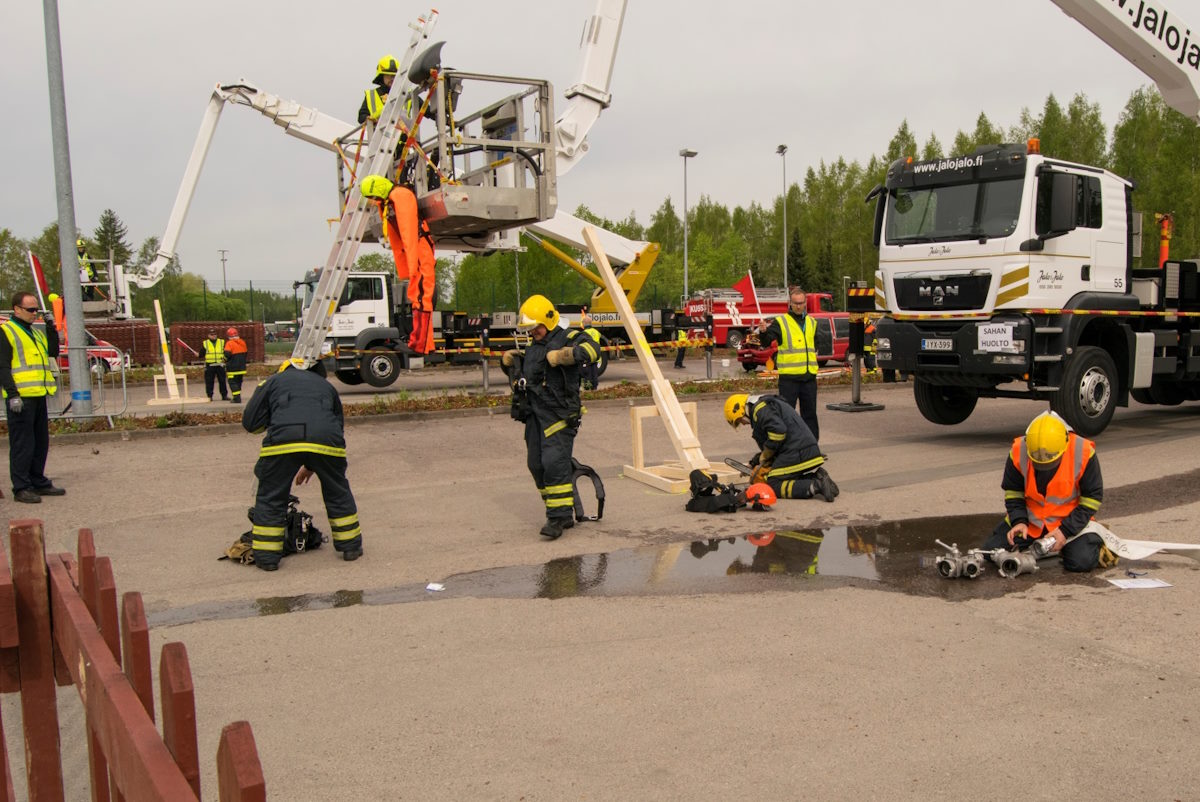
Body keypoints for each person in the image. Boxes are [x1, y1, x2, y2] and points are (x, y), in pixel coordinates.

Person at [242, 359, 363, 570]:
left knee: (271, 496)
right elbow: (336, 426)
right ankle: (350, 547)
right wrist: (313, 464)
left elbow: (250, 423)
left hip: (282, 443)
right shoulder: (327, 386)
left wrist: (274, 422)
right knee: (337, 490)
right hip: (328, 444)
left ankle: (267, 559)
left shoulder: (273, 381)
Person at [501, 295, 599, 540]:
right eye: (530, 329)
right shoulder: (535, 344)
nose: (533, 332)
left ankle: (557, 519)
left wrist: (564, 356)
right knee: (536, 464)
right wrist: (513, 363)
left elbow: (592, 348)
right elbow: (531, 373)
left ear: (549, 319)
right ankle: (561, 509)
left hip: (560, 414)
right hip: (535, 414)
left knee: (554, 464)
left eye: (536, 327)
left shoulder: (568, 336)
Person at [980, 410, 1112, 572]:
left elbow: (1092, 499)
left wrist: (1065, 531)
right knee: (991, 551)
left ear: (1064, 446)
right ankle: (1044, 543)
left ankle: (1094, 542)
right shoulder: (1019, 450)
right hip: (1030, 522)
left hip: (1070, 522)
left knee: (1081, 562)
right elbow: (1013, 493)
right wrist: (1019, 521)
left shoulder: (1083, 452)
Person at [360, 173, 437, 354]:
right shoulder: (391, 201)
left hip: (419, 251)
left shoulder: (400, 197)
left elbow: (409, 232)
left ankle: (421, 345)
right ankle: (425, 344)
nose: (373, 201)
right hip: (417, 251)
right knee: (419, 297)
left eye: (373, 197)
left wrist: (411, 267)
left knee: (421, 298)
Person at [1, 292, 64, 503]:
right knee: (22, 444)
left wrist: (51, 328)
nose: (34, 313)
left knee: (40, 442)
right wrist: (12, 395)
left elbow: (52, 352)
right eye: (30, 310)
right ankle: (21, 487)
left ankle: (38, 481)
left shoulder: (34, 333)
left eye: (37, 309)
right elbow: (2, 366)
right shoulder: (6, 332)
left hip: (39, 394)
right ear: (16, 309)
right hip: (21, 397)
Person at [724, 392, 838, 502]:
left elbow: (778, 433)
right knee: (782, 477)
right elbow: (773, 442)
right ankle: (818, 477)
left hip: (797, 451)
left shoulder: (761, 410)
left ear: (740, 409)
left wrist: (765, 456)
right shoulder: (765, 406)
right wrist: (754, 462)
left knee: (773, 483)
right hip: (801, 449)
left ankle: (815, 485)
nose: (743, 424)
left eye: (739, 420)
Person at [760, 286, 826, 441]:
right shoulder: (781, 322)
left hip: (808, 377)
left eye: (801, 303)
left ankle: (811, 448)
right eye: (795, 303)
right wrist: (763, 332)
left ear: (805, 303)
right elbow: (767, 341)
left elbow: (815, 343)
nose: (798, 306)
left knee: (810, 415)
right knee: (787, 415)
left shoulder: (812, 322)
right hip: (789, 379)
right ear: (790, 303)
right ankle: (787, 448)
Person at [358, 54, 399, 125]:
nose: (392, 78)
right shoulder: (371, 95)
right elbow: (361, 117)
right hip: (379, 134)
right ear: (381, 76)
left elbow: (424, 109)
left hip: (403, 135)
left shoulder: (406, 93)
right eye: (388, 75)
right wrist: (370, 119)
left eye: (394, 76)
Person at [579, 312, 606, 390]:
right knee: (594, 372)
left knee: (587, 374)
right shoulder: (596, 331)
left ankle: (588, 387)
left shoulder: (584, 333)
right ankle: (595, 387)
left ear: (583, 324)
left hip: (588, 356)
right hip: (596, 355)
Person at [202, 329, 228, 401]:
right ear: (208, 335)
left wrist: (224, 360)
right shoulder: (205, 343)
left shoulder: (221, 342)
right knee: (209, 381)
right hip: (210, 365)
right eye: (212, 335)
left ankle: (224, 395)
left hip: (220, 364)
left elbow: (226, 352)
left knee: (222, 381)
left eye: (215, 334)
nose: (213, 336)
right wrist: (198, 354)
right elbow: (202, 353)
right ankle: (209, 396)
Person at [224, 327, 248, 403]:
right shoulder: (242, 342)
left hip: (232, 368)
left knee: (232, 382)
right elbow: (245, 353)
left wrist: (223, 360)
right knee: (238, 382)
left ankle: (237, 398)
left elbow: (227, 355)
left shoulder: (229, 343)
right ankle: (238, 396)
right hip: (241, 367)